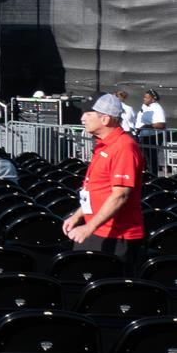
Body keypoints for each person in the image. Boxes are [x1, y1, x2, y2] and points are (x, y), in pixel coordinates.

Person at [61, 93, 145, 261]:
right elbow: (98, 190)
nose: (82, 118)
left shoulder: (123, 147)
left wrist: (88, 228)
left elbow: (120, 195)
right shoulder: (104, 145)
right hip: (97, 231)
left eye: (88, 114)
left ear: (105, 119)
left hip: (115, 236)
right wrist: (78, 215)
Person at [136, 89, 167, 170]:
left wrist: (146, 126)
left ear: (153, 99)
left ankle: (152, 176)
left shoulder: (157, 108)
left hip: (153, 137)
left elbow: (161, 124)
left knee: (151, 159)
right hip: (144, 136)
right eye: (144, 97)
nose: (144, 99)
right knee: (144, 159)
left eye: (147, 97)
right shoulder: (146, 107)